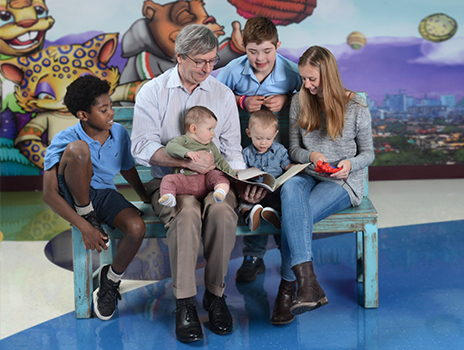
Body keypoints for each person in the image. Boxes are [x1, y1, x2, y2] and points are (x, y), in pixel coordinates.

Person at [130, 24, 265, 343]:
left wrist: (239, 182)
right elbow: (141, 148)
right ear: (179, 57)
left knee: (220, 212)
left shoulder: (220, 93)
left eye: (212, 61)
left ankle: (215, 296)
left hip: (215, 182)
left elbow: (231, 149)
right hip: (170, 184)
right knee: (187, 214)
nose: (208, 68)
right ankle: (185, 302)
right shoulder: (153, 91)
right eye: (200, 61)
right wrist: (184, 161)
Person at [271, 46, 375, 325]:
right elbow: (293, 150)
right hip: (308, 172)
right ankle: (308, 284)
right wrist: (312, 156)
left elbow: (368, 153)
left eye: (312, 79)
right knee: (291, 191)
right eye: (304, 78)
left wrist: (350, 165)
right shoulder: (300, 101)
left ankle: (288, 289)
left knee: (294, 218)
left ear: (327, 76)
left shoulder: (356, 106)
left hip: (343, 182)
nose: (307, 84)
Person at [42, 75, 150, 321]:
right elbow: (49, 194)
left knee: (136, 227)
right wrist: (84, 226)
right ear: (83, 115)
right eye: (103, 110)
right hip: (72, 196)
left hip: (104, 194)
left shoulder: (119, 133)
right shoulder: (66, 139)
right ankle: (86, 212)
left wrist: (146, 196)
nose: (111, 113)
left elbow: (127, 168)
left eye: (110, 106)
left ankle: (110, 281)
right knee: (80, 151)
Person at [217, 16, 301, 283]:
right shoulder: (232, 69)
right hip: (248, 156)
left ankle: (292, 260)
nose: (260, 58)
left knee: (282, 201)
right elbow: (215, 95)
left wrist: (289, 98)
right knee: (254, 196)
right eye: (253, 51)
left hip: (280, 154)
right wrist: (241, 100)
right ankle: (254, 257)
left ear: (278, 45)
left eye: (267, 51)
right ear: (243, 47)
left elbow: (309, 94)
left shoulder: (291, 72)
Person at [235, 110, 295, 283]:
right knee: (246, 200)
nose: (263, 143)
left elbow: (287, 165)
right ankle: (249, 215)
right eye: (258, 138)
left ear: (275, 135)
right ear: (249, 133)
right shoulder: (246, 153)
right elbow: (241, 173)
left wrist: (293, 168)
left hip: (274, 193)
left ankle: (288, 257)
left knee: (282, 206)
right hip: (255, 194)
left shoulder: (279, 150)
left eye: (268, 139)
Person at [158, 106, 236, 207]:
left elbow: (220, 161)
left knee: (219, 175)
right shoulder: (183, 140)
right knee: (168, 179)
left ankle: (220, 191)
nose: (213, 133)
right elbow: (170, 147)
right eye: (209, 129)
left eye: (213, 129)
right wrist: (186, 153)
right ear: (193, 128)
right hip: (186, 180)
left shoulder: (211, 145)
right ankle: (169, 197)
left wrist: (232, 174)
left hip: (206, 180)